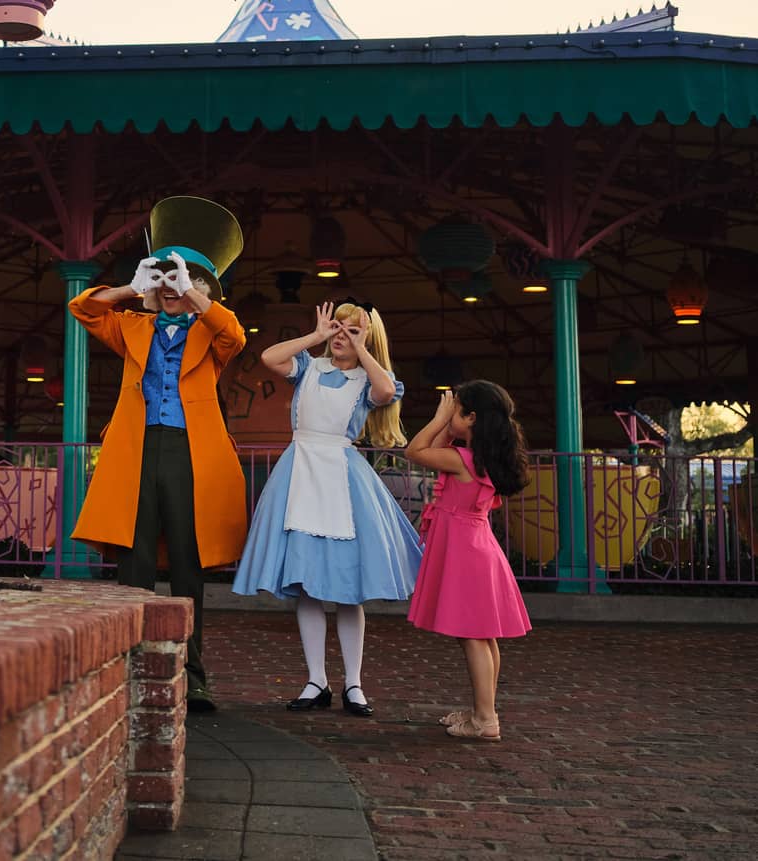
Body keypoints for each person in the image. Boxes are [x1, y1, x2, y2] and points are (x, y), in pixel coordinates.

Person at [69, 196, 249, 712]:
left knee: (188, 569)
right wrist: (133, 287)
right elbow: (81, 307)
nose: (172, 289)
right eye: (166, 280)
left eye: (183, 281)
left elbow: (233, 333)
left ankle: (193, 675)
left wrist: (193, 294)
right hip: (137, 452)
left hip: (191, 454)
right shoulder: (132, 326)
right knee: (136, 560)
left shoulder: (213, 334)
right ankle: (131, 667)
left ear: (200, 290)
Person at [232, 300, 421, 717]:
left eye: (352, 331)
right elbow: (268, 357)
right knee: (307, 586)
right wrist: (315, 337)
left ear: (367, 337)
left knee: (348, 590)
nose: (342, 336)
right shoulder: (309, 368)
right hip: (298, 474)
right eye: (338, 328)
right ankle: (315, 678)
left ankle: (353, 682)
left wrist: (365, 347)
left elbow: (387, 391)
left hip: (343, 480)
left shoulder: (368, 380)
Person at [404, 381, 533, 742]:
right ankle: (482, 709)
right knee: (483, 637)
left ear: (471, 417)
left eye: (457, 409)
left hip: (465, 553)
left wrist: (438, 418)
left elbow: (414, 450)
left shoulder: (462, 460)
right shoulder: (481, 458)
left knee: (473, 636)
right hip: (477, 548)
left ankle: (485, 719)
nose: (451, 413)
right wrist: (451, 422)